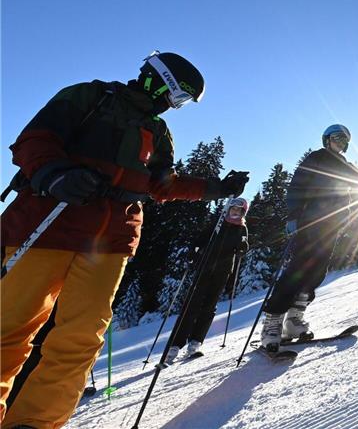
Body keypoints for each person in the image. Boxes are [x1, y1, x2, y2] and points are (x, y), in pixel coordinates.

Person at [0, 51, 247, 428]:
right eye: (177, 96)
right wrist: (56, 174)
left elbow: (163, 186)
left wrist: (216, 187)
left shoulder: (158, 133)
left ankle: (34, 423)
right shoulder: (88, 97)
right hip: (49, 224)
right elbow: (34, 140)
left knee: (80, 338)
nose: (174, 106)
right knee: (10, 326)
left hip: (110, 241)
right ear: (158, 80)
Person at [260, 124, 358, 352]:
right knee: (298, 269)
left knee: (317, 272)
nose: (342, 143)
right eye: (338, 138)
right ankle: (272, 323)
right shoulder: (316, 158)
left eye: (346, 141)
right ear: (327, 139)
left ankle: (294, 320)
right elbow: (297, 186)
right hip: (310, 222)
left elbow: (357, 184)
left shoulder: (344, 165)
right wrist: (293, 216)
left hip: (330, 227)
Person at [164, 197, 250, 364]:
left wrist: (242, 248)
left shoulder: (242, 228)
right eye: (233, 209)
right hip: (205, 267)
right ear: (228, 209)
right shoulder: (217, 223)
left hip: (222, 271)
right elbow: (200, 238)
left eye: (239, 210)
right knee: (192, 303)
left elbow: (244, 246)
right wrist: (193, 251)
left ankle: (195, 342)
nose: (235, 212)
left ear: (243, 212)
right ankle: (175, 344)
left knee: (209, 305)